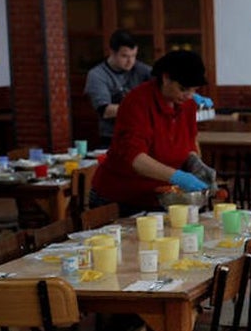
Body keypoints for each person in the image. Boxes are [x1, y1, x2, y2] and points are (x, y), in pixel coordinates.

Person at [90, 49, 218, 215]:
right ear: (165, 78)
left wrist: (195, 162)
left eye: (194, 90)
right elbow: (135, 158)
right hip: (120, 198)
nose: (189, 95)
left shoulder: (188, 105)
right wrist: (178, 177)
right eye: (184, 88)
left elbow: (189, 142)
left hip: (162, 197)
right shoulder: (137, 103)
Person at [84, 30, 153, 147]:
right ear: (112, 52)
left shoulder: (141, 69)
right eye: (125, 56)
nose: (130, 61)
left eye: (134, 55)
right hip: (113, 137)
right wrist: (142, 107)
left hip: (142, 133)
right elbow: (105, 110)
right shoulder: (97, 74)